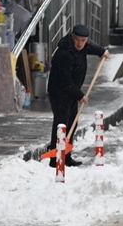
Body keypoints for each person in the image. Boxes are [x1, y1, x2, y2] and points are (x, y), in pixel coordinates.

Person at [46, 24, 109, 167]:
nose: (80, 44)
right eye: (77, 40)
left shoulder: (82, 47)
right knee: (61, 124)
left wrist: (102, 52)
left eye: (83, 40)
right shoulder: (63, 54)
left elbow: (90, 48)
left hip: (71, 93)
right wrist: (80, 95)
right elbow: (65, 81)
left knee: (72, 124)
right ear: (72, 37)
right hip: (59, 93)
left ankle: (66, 156)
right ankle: (55, 159)